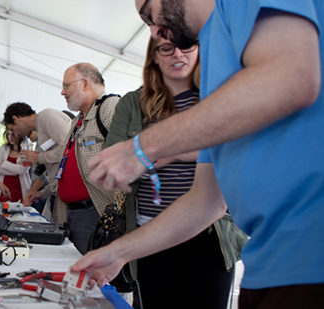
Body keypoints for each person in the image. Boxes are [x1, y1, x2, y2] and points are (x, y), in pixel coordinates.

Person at [74, 0, 323, 308]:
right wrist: (119, 252)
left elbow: (292, 76)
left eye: (148, 14)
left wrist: (144, 147)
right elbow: (206, 200)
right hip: (269, 265)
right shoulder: (216, 55)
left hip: (309, 255)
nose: (153, 30)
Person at [107, 37, 246, 308]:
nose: (176, 54)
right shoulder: (132, 103)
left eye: (185, 45)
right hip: (149, 234)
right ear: (154, 57)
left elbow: (233, 152)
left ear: (199, 51)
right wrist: (189, 147)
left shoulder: (217, 99)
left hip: (209, 235)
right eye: (166, 48)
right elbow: (114, 162)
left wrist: (164, 151)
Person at [52, 63, 119, 255]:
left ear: (85, 84)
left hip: (94, 212)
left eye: (66, 86)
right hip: (72, 213)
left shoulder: (109, 108)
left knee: (88, 277)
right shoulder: (77, 120)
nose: (62, 92)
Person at [3, 103, 70, 221]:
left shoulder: (46, 116)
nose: (17, 134)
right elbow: (57, 174)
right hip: (59, 193)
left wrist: (39, 158)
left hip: (70, 196)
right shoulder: (41, 129)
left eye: (13, 130)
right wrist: (42, 193)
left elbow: (68, 148)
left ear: (16, 119)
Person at [0, 130, 31, 202]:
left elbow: (23, 170)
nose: (10, 137)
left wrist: (5, 164)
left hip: (20, 188)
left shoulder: (26, 147)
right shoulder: (3, 148)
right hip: (4, 186)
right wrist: (17, 171)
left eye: (13, 134)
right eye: (8, 134)